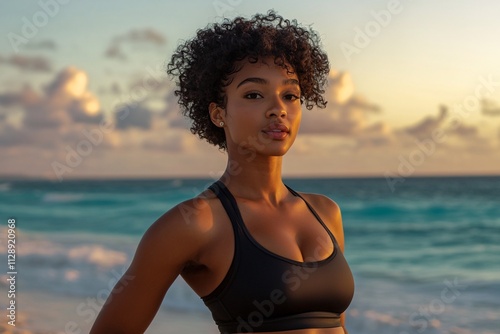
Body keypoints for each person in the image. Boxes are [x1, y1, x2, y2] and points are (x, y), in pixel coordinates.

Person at [90, 10, 354, 334]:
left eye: (290, 95)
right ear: (218, 113)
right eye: (254, 94)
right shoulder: (195, 224)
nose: (278, 109)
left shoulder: (326, 213)